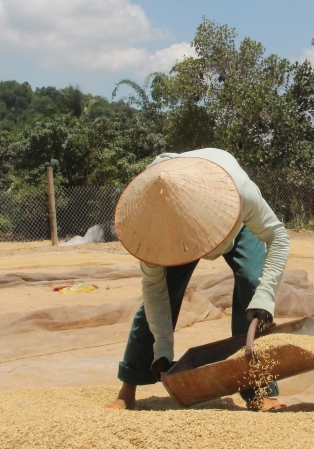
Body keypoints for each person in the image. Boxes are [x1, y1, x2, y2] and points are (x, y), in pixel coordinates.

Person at [107, 148, 289, 411]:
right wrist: (163, 348)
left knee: (252, 282)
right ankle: (128, 388)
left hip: (234, 220)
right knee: (160, 299)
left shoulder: (239, 191)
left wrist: (265, 294)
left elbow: (278, 237)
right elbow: (155, 291)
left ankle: (259, 390)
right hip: (173, 239)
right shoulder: (149, 227)